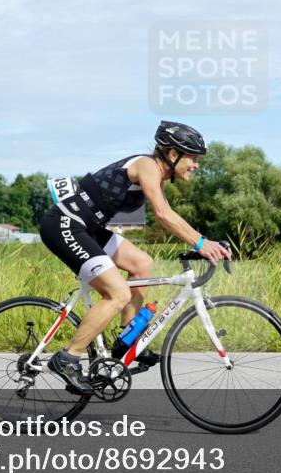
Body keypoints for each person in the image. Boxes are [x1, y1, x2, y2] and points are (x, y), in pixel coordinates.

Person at [39, 121, 233, 394]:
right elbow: (163, 214)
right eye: (193, 158)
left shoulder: (156, 174)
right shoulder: (146, 165)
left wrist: (203, 242)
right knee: (118, 293)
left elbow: (169, 214)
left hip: (88, 228)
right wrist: (202, 243)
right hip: (65, 224)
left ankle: (126, 342)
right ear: (172, 153)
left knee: (142, 264)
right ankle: (68, 358)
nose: (196, 165)